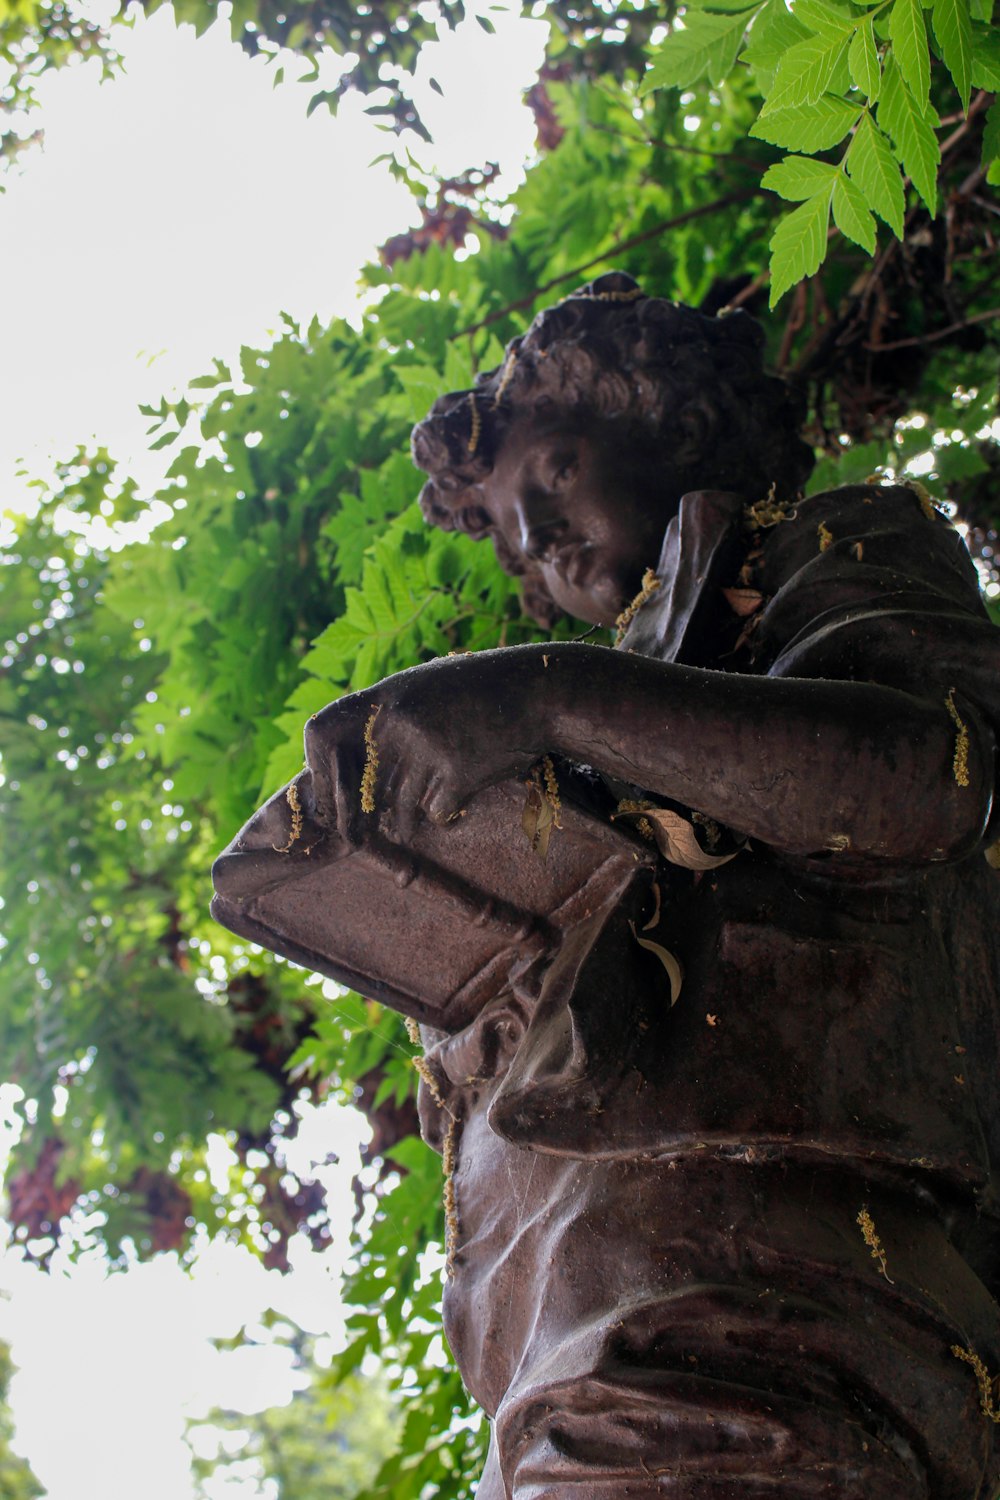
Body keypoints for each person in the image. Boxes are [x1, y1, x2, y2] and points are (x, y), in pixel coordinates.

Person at [217, 273, 1000, 1497]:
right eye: (510, 530)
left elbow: (923, 783)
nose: (533, 542)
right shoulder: (603, 740)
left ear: (670, 428)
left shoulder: (824, 547)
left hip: (771, 1326)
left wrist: (545, 692)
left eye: (553, 476)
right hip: (570, 1363)